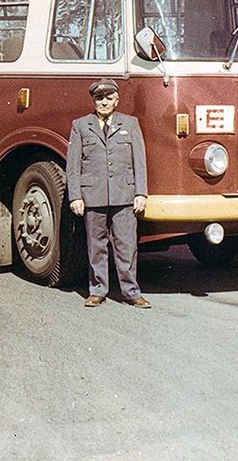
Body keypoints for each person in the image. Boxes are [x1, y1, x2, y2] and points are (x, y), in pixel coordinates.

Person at [65, 78, 151, 308]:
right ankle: (98, 290)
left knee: (127, 246)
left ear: (117, 99)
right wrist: (75, 196)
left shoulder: (130, 124)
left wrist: (141, 193)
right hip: (93, 196)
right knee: (96, 246)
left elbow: (139, 161)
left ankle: (131, 291)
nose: (104, 102)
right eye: (99, 98)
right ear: (93, 101)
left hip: (124, 196)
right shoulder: (81, 125)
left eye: (108, 98)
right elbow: (73, 165)